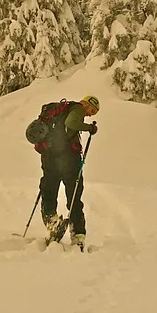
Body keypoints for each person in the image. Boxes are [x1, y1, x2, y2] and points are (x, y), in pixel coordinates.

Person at [40, 95, 99, 249]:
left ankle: (52, 221)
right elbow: (71, 122)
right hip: (68, 159)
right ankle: (78, 233)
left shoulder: (60, 111)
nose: (90, 115)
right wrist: (89, 128)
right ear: (87, 103)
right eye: (92, 110)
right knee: (74, 196)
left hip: (49, 157)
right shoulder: (78, 108)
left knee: (48, 191)